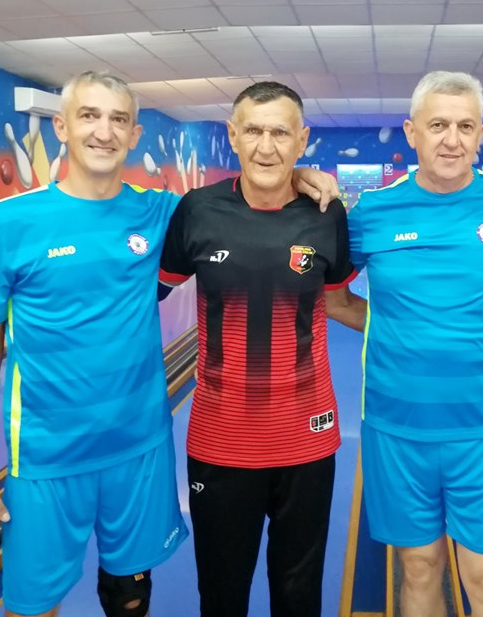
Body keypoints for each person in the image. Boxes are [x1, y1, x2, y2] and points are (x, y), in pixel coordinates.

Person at [0, 71, 338, 617]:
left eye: (118, 119)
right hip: (45, 455)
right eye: (89, 116)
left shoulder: (165, 212)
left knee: (129, 598)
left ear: (135, 134)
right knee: (31, 607)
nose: (103, 131)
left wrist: (297, 174)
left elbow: (248, 200)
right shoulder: (9, 222)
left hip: (140, 449)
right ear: (61, 126)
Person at [327, 71, 483, 617]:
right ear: (411, 132)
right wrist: (396, 326)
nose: (452, 140)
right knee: (418, 569)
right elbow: (334, 299)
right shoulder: (372, 211)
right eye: (438, 125)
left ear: (481, 134)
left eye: (465, 127)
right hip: (396, 426)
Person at [159, 81, 356, 617]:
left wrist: (423, 331)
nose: (266, 147)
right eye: (253, 131)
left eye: (280, 133)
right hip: (220, 442)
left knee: (299, 595)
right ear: (233, 136)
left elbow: (340, 303)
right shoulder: (197, 210)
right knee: (222, 597)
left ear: (302, 140)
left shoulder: (327, 214)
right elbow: (145, 294)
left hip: (307, 439)